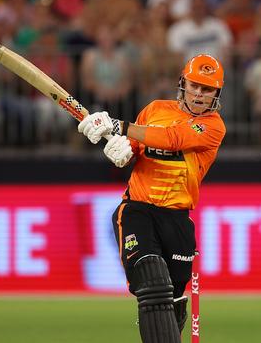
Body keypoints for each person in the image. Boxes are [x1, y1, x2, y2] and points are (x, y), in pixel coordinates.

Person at [77, 54, 226, 342]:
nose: (199, 94)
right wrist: (120, 151)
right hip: (138, 209)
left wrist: (118, 126)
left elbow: (173, 139)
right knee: (153, 280)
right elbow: (134, 148)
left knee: (169, 303)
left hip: (177, 219)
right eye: (194, 85)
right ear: (183, 83)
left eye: (207, 89)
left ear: (216, 95)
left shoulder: (213, 126)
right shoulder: (156, 109)